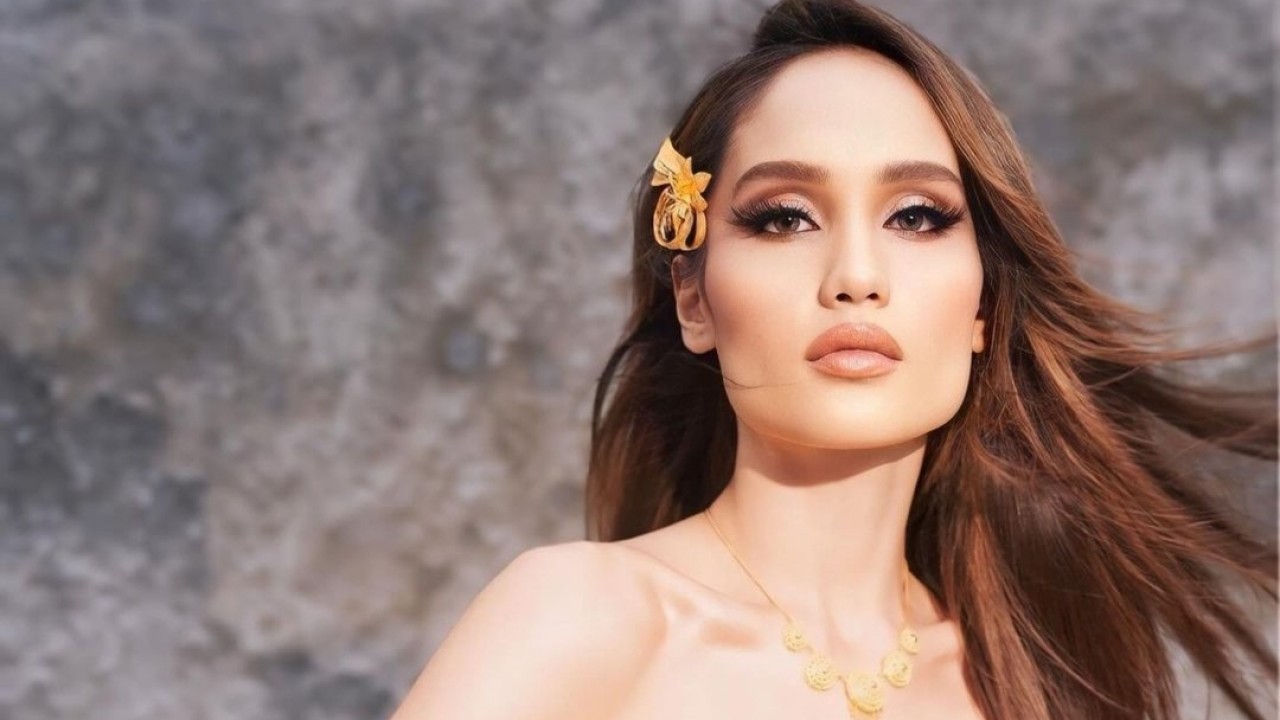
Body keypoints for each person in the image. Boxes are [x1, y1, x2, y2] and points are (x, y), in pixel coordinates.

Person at [390, 1, 1278, 718]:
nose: (856, 277)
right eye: (784, 218)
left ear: (984, 305)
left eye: (917, 217)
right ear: (693, 297)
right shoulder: (585, 616)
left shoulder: (1034, 680)